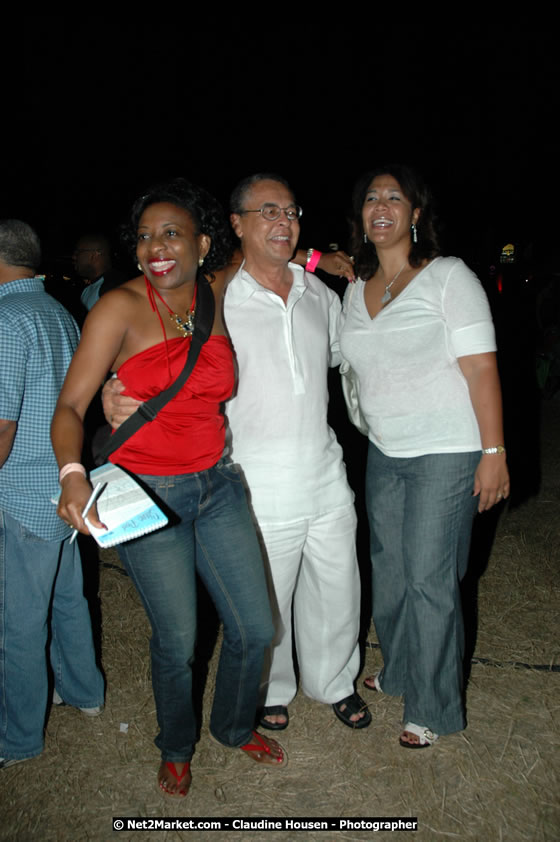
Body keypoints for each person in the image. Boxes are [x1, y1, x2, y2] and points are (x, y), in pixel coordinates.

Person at [105, 174, 370, 732]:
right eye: (267, 211)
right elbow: (157, 335)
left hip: (325, 470)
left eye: (291, 211)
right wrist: (119, 388)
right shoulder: (216, 292)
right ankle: (271, 689)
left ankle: (334, 682)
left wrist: (318, 260)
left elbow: (352, 361)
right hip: (254, 479)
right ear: (235, 224)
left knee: (339, 585)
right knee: (267, 599)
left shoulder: (318, 292)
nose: (283, 221)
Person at [51, 180, 284, 799]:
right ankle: (177, 747)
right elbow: (71, 406)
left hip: (219, 485)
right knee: (178, 639)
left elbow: (263, 240)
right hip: (147, 493)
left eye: (171, 233)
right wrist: (73, 475)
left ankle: (234, 728)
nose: (156, 246)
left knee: (255, 629)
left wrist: (329, 260)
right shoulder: (119, 309)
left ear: (203, 244)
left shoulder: (214, 289)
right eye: (145, 236)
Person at [339, 165, 510, 748]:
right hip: (385, 450)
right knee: (389, 575)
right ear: (361, 216)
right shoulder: (353, 291)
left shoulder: (447, 276)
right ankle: (404, 668)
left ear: (416, 213)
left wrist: (494, 451)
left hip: (447, 450)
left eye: (394, 197)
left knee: (430, 579)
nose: (380, 205)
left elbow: (482, 367)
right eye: (370, 197)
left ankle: (433, 707)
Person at [0, 220, 104, 770]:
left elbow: (2, 426)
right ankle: (85, 692)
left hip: (23, 493)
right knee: (67, 600)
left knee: (18, 623)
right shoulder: (58, 311)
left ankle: (17, 737)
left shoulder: (7, 319)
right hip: (63, 490)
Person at [73, 233, 125, 311]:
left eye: (78, 252)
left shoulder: (113, 287)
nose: (74, 257)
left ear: (95, 254)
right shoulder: (87, 290)